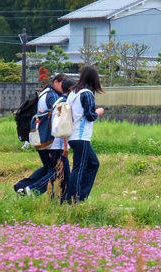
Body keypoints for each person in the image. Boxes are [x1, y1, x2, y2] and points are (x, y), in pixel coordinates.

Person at [14, 73, 68, 195]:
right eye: (63, 84)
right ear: (56, 82)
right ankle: (32, 190)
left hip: (40, 137)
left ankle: (21, 187)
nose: (64, 87)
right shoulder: (53, 96)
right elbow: (58, 114)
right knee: (57, 170)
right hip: (48, 140)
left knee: (48, 169)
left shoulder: (45, 93)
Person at [66, 66, 104, 203]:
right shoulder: (87, 93)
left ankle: (80, 196)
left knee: (93, 163)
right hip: (81, 137)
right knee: (79, 169)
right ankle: (73, 200)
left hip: (73, 137)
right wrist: (98, 112)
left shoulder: (72, 93)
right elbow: (90, 116)